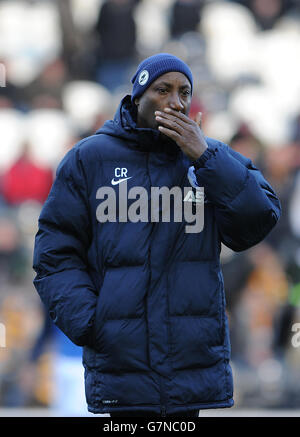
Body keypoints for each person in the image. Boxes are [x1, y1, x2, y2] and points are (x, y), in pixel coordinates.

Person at [32, 53, 281, 417]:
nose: (176, 102)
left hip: (190, 370)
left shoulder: (208, 157)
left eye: (184, 92)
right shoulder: (89, 159)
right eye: (163, 90)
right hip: (122, 367)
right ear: (138, 96)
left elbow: (258, 220)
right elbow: (55, 255)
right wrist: (93, 323)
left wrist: (206, 156)